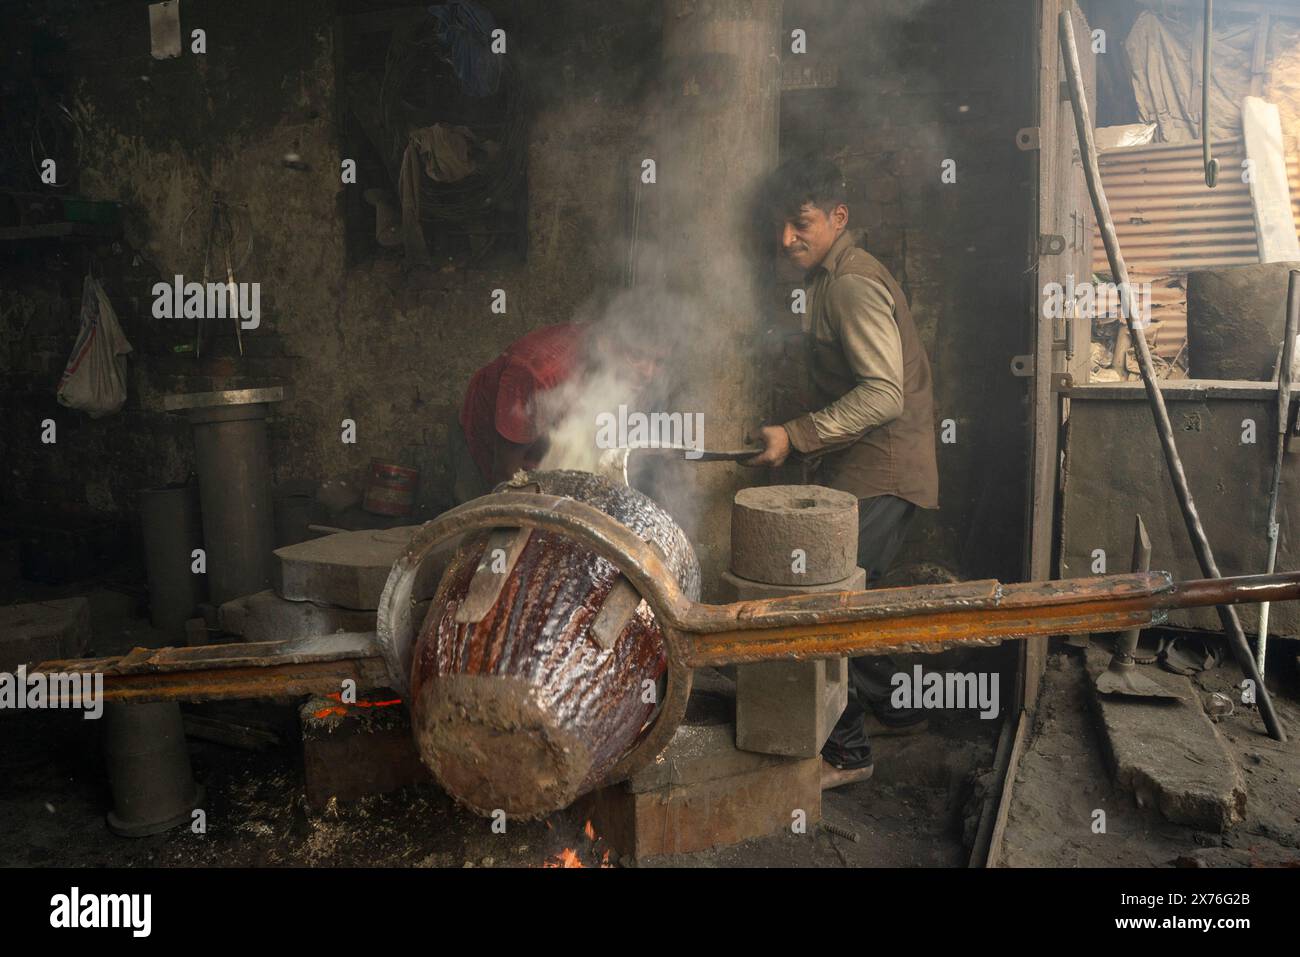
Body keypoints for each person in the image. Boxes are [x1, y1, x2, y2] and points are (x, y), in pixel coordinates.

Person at [746, 157, 940, 789]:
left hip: (881, 474)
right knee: (858, 597)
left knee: (828, 609)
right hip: (874, 470)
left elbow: (884, 395)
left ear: (838, 218)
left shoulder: (852, 284)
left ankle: (849, 754)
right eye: (780, 225)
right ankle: (898, 710)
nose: (786, 239)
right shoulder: (831, 278)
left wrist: (795, 435)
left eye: (800, 224)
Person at [451, 307, 669, 504]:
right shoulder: (537, 372)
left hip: (541, 444)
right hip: (490, 443)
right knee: (482, 528)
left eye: (658, 361)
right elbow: (505, 473)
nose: (648, 373)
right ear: (606, 344)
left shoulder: (625, 370)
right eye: (638, 356)